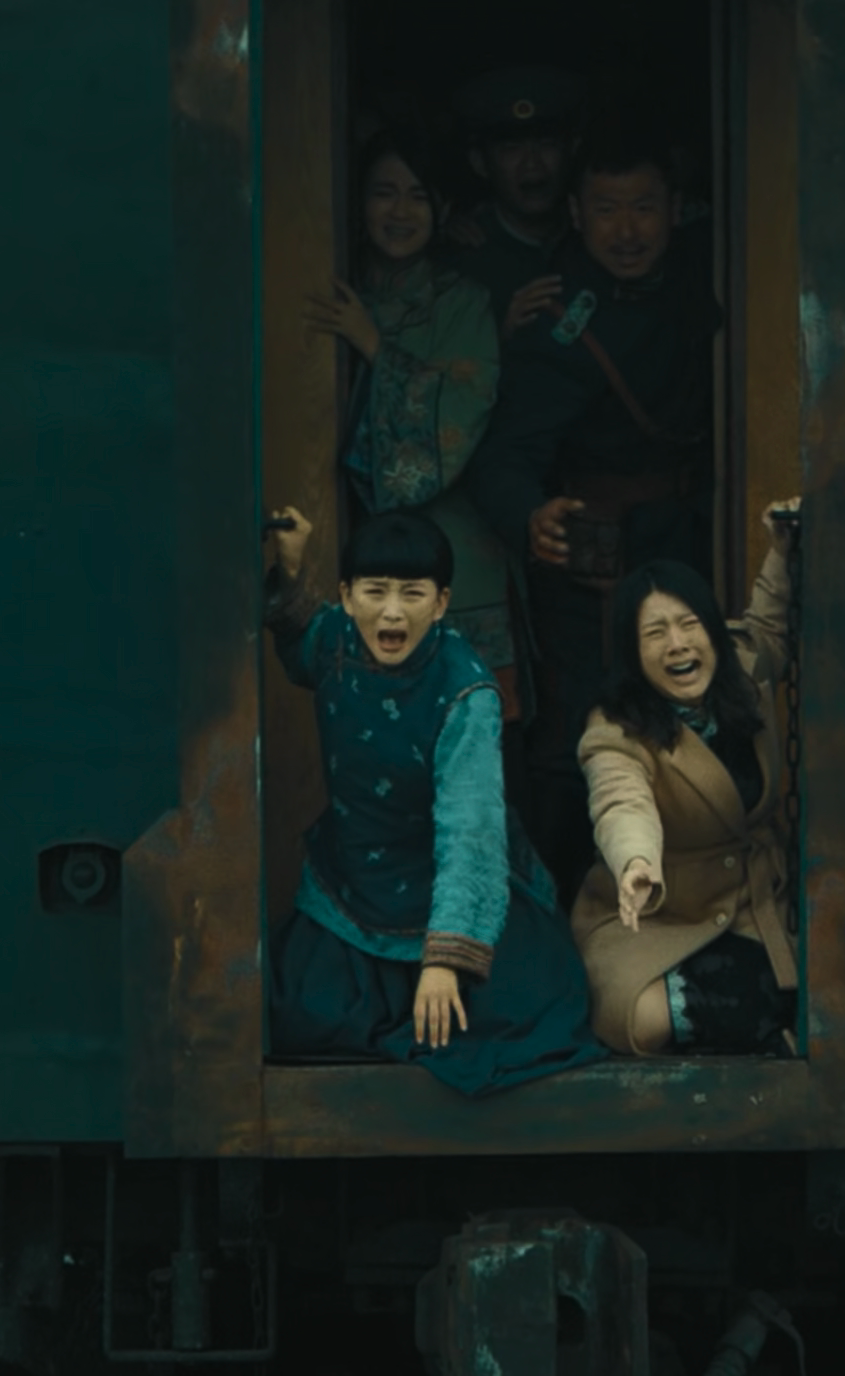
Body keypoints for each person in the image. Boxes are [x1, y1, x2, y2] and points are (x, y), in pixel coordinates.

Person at [259, 506, 606, 1093]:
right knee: (299, 1015)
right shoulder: (334, 639)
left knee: (510, 1025)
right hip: (354, 886)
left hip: (450, 884)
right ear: (347, 597)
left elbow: (469, 830)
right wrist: (289, 570)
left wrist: (444, 961)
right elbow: (298, 641)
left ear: (441, 603)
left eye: (412, 593)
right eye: (375, 591)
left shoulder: (465, 690)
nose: (392, 611)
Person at [470, 127, 726, 896]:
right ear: (577, 214)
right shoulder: (557, 318)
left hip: (691, 539)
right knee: (581, 730)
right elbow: (503, 455)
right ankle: (563, 909)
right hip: (593, 556)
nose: (627, 230)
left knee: (700, 716)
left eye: (644, 207)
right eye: (607, 209)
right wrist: (531, 514)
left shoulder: (714, 269)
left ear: (677, 209)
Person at [304, 126, 520, 719]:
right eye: (384, 193)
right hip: (338, 536)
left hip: (453, 545)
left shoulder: (463, 302)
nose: (399, 211)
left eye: (418, 196)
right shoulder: (324, 286)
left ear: (443, 210)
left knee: (461, 720)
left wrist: (374, 346)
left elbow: (461, 409)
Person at [572, 504, 801, 1056]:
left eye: (689, 624)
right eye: (656, 633)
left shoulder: (742, 671)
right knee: (642, 1019)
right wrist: (635, 861)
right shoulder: (614, 728)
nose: (677, 644)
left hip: (750, 906)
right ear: (633, 651)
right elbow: (620, 801)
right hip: (657, 916)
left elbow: (769, 622)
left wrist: (783, 548)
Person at [439, 63, 582, 339]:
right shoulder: (460, 266)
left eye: (546, 143)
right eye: (511, 148)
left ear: (572, 151)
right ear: (480, 163)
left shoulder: (598, 240)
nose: (532, 164)